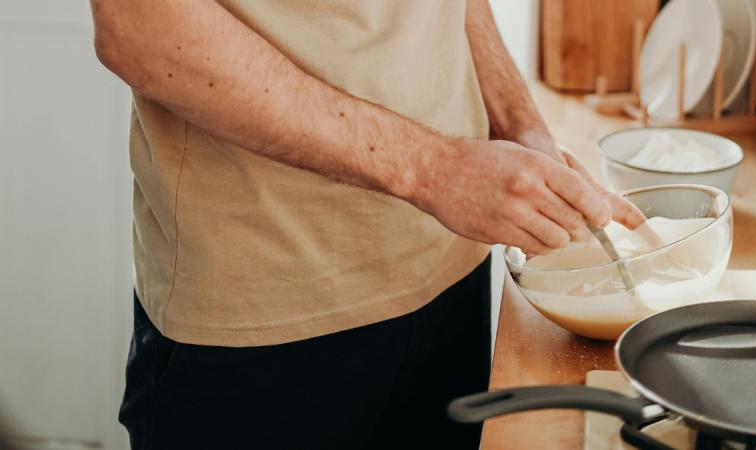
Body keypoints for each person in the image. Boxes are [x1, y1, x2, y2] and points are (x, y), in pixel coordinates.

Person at [90, 1, 644, 449]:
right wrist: (436, 170)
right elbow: (141, 28)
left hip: (451, 269)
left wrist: (522, 126)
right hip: (268, 315)